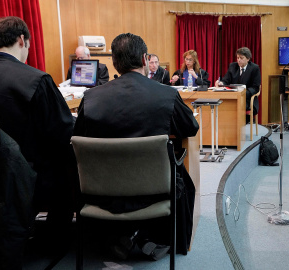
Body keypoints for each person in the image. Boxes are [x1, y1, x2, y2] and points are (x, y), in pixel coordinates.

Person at [74, 33, 199, 260]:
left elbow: (78, 135)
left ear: (114, 62)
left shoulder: (90, 97)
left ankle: (116, 235)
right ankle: (152, 236)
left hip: (102, 191)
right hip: (155, 192)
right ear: (145, 59)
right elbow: (191, 127)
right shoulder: (166, 95)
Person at [0, 16, 76, 265]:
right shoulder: (36, 80)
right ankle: (53, 242)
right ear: (22, 40)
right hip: (29, 179)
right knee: (69, 165)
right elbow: (62, 133)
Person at [215, 47, 261, 114]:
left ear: (248, 59)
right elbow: (226, 80)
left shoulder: (254, 68)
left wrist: (242, 94)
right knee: (222, 104)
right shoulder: (233, 66)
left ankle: (239, 123)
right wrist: (221, 83)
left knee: (235, 107)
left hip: (246, 98)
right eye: (238, 58)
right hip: (232, 97)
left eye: (241, 58)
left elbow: (255, 87)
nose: (239, 60)